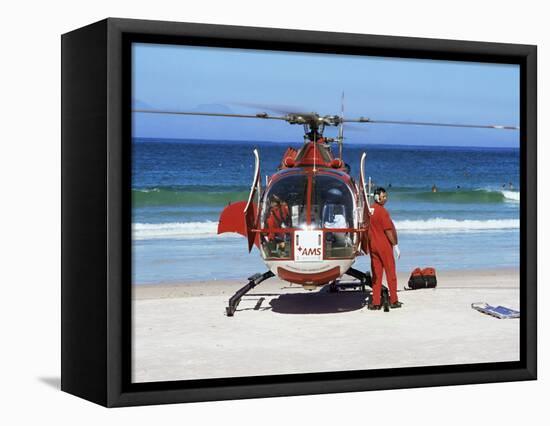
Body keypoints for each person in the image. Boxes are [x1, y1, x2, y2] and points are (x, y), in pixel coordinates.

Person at [367, 187, 402, 310]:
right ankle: (394, 300)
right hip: (384, 246)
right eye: (384, 196)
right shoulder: (383, 212)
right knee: (390, 273)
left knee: (376, 275)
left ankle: (376, 302)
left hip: (373, 246)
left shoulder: (369, 210)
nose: (386, 198)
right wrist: (395, 245)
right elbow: (388, 230)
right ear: (377, 197)